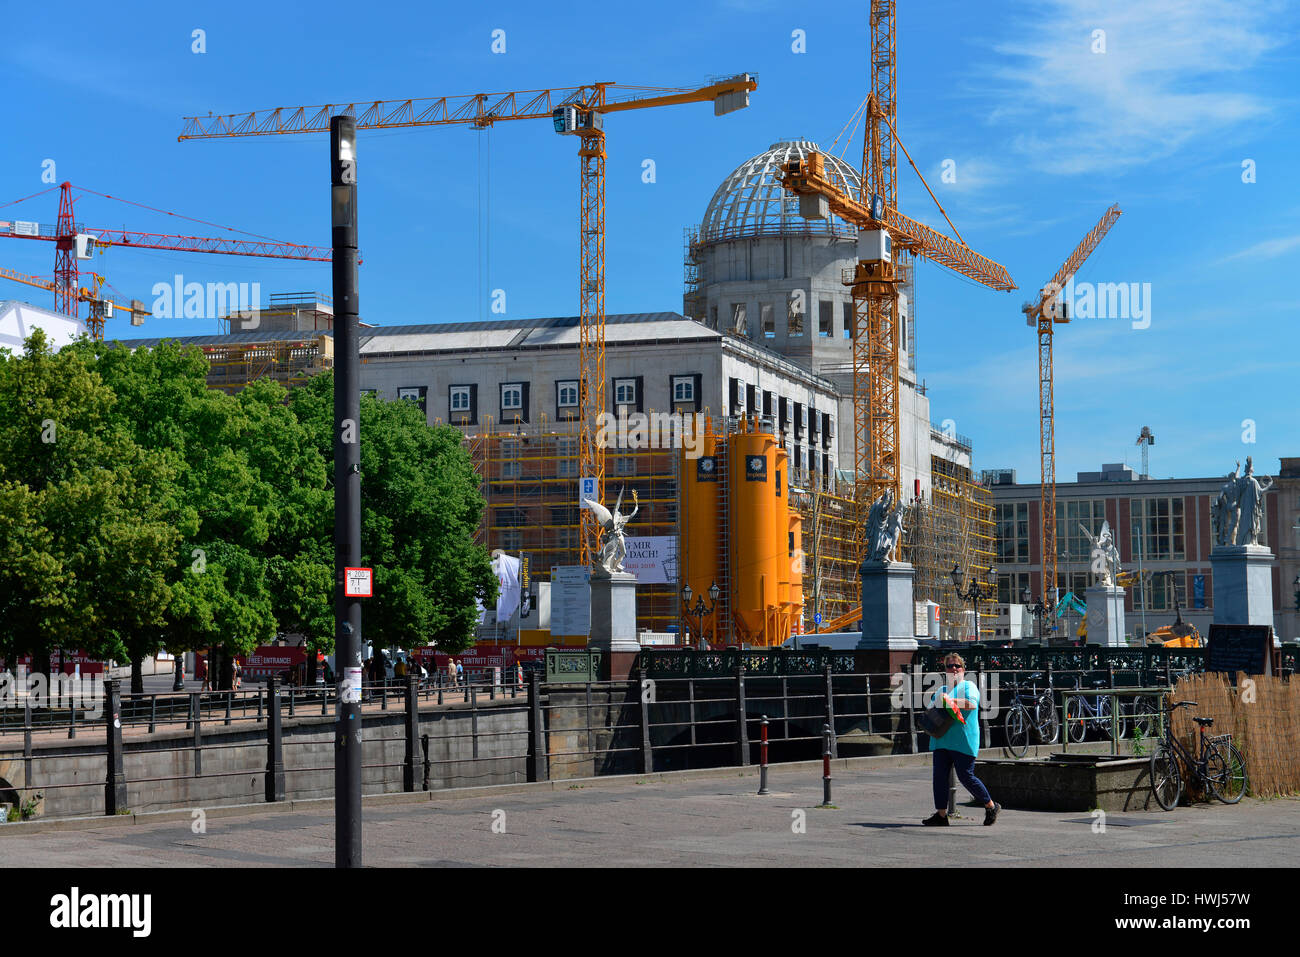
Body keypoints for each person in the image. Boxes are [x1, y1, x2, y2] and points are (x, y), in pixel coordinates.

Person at [923, 654, 999, 827]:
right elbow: (930, 708)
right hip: (941, 739)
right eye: (950, 666)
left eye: (957, 666)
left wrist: (950, 701)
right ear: (945, 671)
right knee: (939, 777)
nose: (954, 669)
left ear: (963, 669)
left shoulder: (968, 686)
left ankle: (991, 806)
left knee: (966, 776)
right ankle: (941, 815)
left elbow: (972, 703)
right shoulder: (941, 690)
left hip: (963, 740)